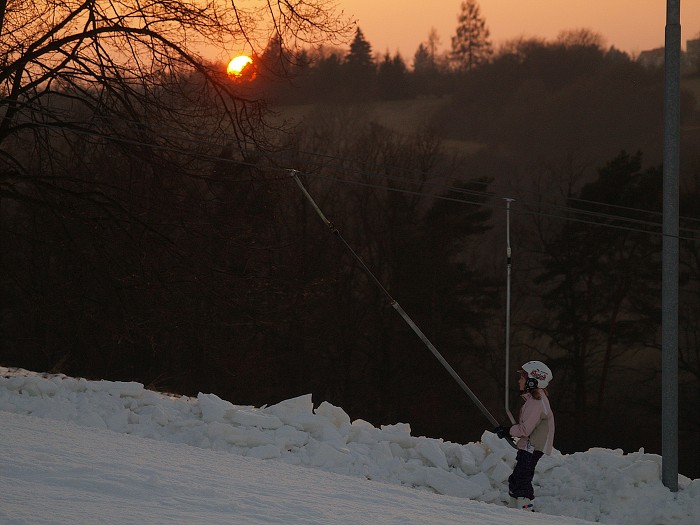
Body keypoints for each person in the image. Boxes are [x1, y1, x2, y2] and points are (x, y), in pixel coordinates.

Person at [494, 360, 555, 512]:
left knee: (522, 478)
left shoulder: (536, 402)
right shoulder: (535, 400)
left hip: (532, 447)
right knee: (516, 477)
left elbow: (525, 430)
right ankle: (514, 508)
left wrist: (508, 431)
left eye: (522, 378)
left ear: (533, 382)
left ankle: (526, 510)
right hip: (529, 446)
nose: (519, 380)